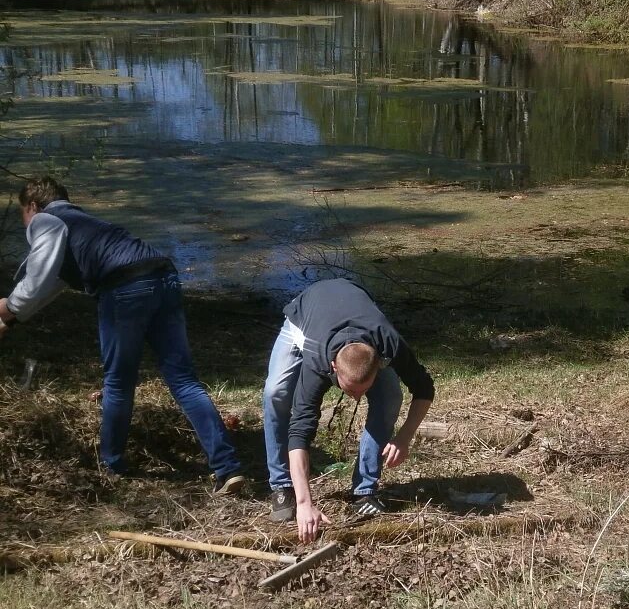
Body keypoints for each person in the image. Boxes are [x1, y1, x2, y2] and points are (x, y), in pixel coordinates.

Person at [0, 176, 245, 494]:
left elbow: (36, 280)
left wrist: (9, 307)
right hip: (163, 275)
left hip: (125, 288)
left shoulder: (46, 220)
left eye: (23, 214)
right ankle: (228, 468)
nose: (25, 224)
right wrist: (13, 319)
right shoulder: (82, 222)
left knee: (118, 382)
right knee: (183, 380)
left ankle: (111, 463)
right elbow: (53, 282)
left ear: (32, 206)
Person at [262, 276, 434, 543]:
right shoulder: (317, 360)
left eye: (364, 388)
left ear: (378, 363)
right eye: (351, 390)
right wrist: (306, 503)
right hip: (305, 318)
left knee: (390, 397)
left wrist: (403, 438)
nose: (357, 397)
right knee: (276, 393)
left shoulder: (389, 343)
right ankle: (282, 487)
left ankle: (364, 490)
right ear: (333, 370)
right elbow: (300, 430)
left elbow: (424, 388)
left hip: (357, 307)